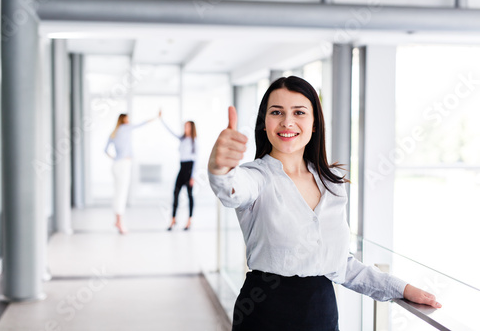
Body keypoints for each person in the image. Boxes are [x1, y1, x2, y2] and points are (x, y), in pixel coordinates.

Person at [208, 76, 441, 331]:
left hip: (322, 314)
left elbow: (342, 265)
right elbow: (231, 189)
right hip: (264, 313)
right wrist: (220, 167)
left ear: (315, 123)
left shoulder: (332, 184)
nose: (287, 122)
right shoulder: (256, 177)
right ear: (264, 123)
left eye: (299, 112)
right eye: (277, 112)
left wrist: (402, 289)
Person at [105, 112, 159, 234]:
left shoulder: (113, 133)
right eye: (127, 119)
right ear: (124, 120)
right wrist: (156, 117)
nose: (129, 121)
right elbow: (142, 123)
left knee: (117, 193)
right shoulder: (126, 128)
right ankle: (119, 222)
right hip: (124, 164)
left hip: (116, 164)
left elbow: (105, 150)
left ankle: (117, 220)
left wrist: (114, 158)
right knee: (122, 194)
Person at [159, 112, 198, 231]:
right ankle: (173, 219)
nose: (185, 128)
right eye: (184, 126)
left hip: (189, 169)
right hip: (182, 168)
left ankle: (189, 220)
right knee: (176, 193)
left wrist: (193, 176)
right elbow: (170, 131)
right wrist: (162, 119)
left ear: (191, 128)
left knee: (190, 195)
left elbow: (196, 159)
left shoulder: (194, 141)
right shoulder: (182, 139)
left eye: (187, 126)